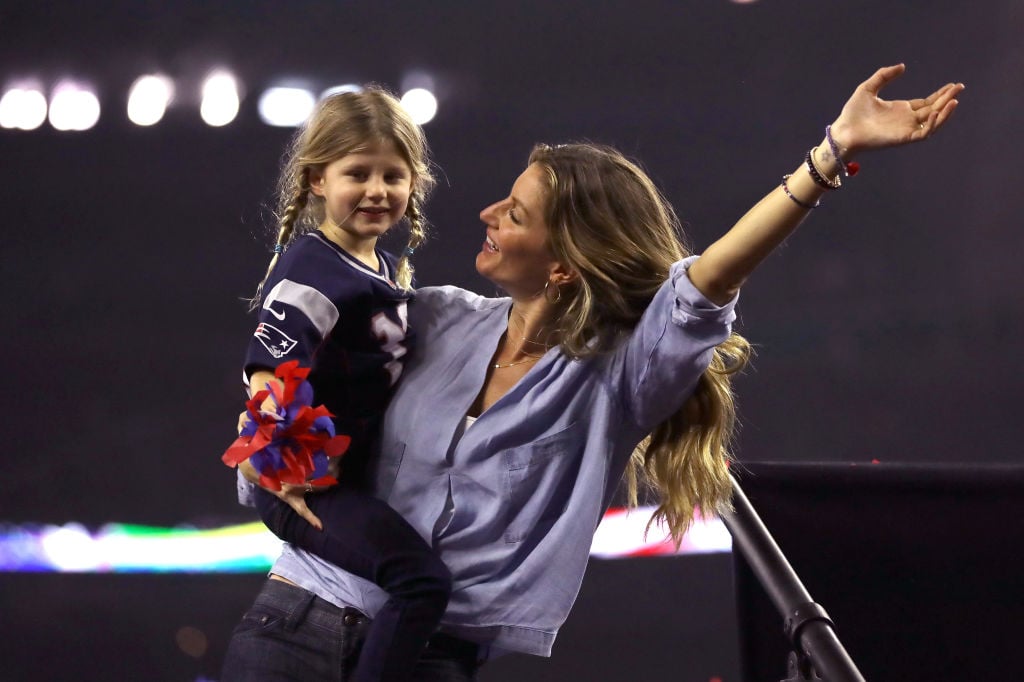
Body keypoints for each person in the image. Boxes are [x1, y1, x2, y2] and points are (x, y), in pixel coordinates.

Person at [223, 65, 964, 681]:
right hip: (292, 622)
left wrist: (829, 156)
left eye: (513, 212)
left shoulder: (612, 379)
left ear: (564, 264)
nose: (486, 213)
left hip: (425, 657)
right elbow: (296, 354)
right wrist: (268, 435)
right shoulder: (437, 316)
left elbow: (706, 284)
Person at [221, 87, 454, 682]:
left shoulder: (373, 267)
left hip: (344, 481)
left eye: (393, 175)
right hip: (307, 489)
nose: (377, 190)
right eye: (358, 173)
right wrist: (278, 471)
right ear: (318, 179)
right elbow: (266, 374)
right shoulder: (316, 270)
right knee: (421, 581)